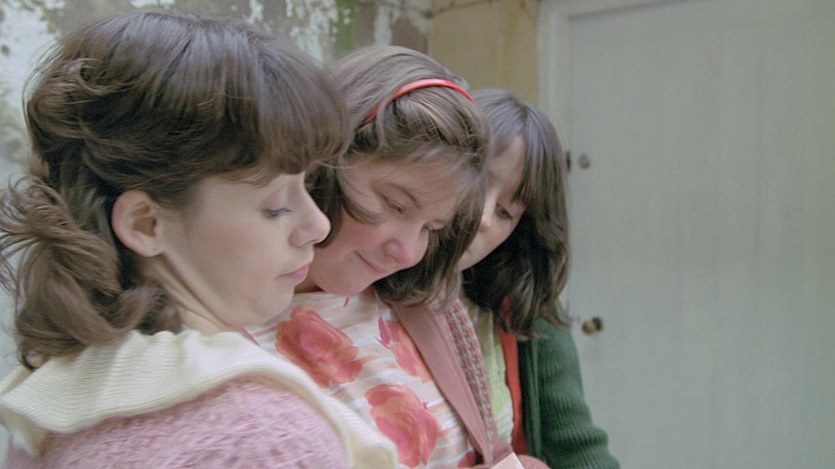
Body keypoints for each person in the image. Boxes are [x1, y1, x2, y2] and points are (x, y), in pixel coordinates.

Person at [0, 12, 396, 468]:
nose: (318, 226)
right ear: (146, 224)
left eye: (307, 186)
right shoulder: (263, 439)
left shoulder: (63, 395)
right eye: (275, 206)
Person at [245, 45, 518, 468]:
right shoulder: (213, 324)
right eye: (394, 205)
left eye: (431, 228)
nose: (407, 252)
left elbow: (491, 450)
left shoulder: (426, 304)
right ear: (321, 161)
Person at [458, 88, 620, 468]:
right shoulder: (371, 290)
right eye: (476, 185)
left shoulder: (524, 312)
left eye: (506, 212)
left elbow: (579, 449)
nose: (483, 218)